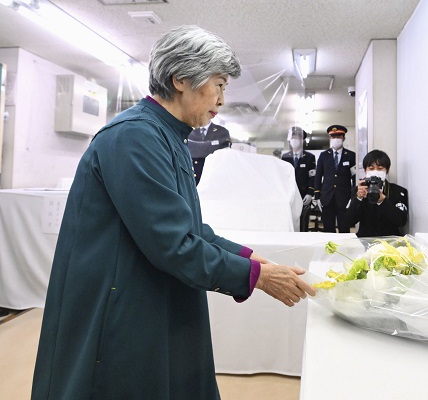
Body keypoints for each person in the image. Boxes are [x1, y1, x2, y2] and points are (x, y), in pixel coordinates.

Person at [31, 25, 315, 400]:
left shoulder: (171, 136)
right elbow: (173, 243)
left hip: (149, 294)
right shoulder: (134, 137)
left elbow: (190, 226)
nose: (222, 99)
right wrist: (257, 277)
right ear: (180, 78)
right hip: (118, 305)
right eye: (219, 84)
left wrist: (248, 257)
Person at [346, 149, 408, 237]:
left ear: (387, 170)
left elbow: (401, 221)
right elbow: (349, 221)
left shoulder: (398, 191)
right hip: (365, 240)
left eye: (380, 168)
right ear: (365, 170)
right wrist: (358, 198)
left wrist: (383, 201)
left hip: (390, 242)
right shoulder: (358, 191)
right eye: (371, 168)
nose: (375, 171)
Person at [314, 124, 356, 233]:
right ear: (329, 138)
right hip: (327, 197)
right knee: (328, 229)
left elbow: (355, 177)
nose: (336, 139)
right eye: (333, 137)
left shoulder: (351, 156)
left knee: (344, 228)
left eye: (339, 137)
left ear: (344, 138)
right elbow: (318, 176)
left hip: (344, 197)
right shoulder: (323, 155)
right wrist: (317, 196)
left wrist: (353, 196)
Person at [281, 126, 315, 231]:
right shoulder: (285, 156)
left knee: (303, 221)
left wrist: (310, 193)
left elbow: (312, 177)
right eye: (292, 137)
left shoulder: (309, 157)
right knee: (290, 222)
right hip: (290, 195)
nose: (294, 140)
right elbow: (283, 176)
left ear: (302, 140)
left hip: (304, 194)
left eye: (297, 138)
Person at [188, 120, 232, 185]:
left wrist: (195, 145)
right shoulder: (188, 130)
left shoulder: (222, 131)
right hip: (192, 173)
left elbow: (225, 152)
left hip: (214, 174)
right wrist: (211, 144)